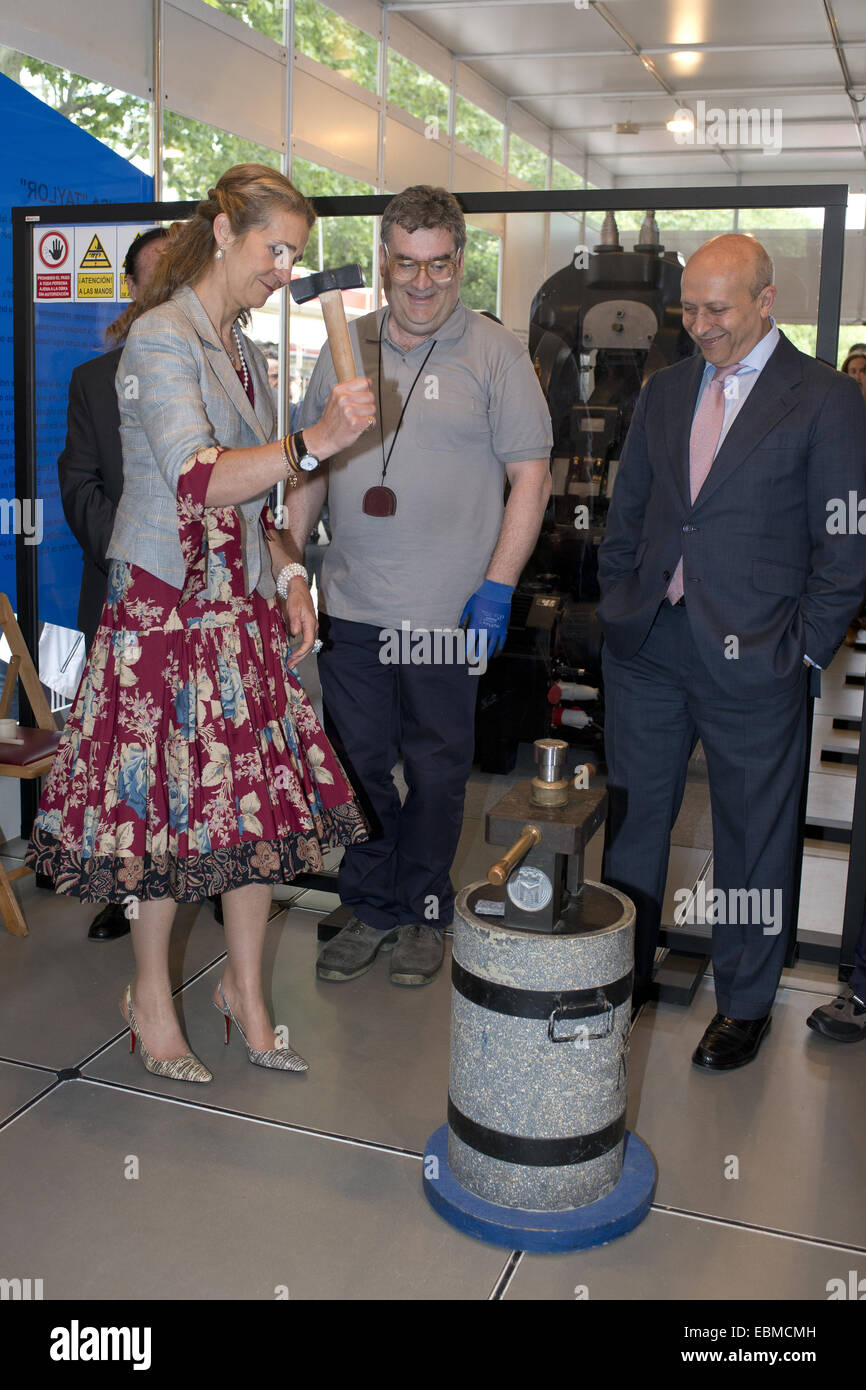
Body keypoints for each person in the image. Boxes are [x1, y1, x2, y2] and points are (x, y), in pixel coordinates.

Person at [26, 163, 376, 1082]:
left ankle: (247, 998)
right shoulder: (158, 337)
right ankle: (150, 1002)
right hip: (164, 617)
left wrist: (294, 570)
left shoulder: (243, 348)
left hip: (240, 613)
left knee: (249, 817)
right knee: (161, 822)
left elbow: (262, 496)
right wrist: (314, 441)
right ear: (224, 230)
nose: (283, 267)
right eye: (275, 248)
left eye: (296, 254)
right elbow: (196, 478)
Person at [597, 232, 866, 1070]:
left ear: (764, 299)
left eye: (718, 309)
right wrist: (620, 600)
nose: (700, 325)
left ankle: (745, 999)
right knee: (637, 816)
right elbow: (633, 508)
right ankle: (623, 971)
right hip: (650, 644)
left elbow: (846, 548)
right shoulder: (667, 389)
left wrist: (802, 654)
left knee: (754, 834)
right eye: (689, 307)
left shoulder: (824, 398)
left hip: (760, 656)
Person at [285, 185, 552, 987]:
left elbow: (530, 478)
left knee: (437, 774)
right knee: (359, 769)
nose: (424, 282)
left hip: (449, 617)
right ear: (384, 262)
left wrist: (497, 586)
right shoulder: (342, 348)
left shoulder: (495, 353)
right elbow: (309, 465)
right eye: (407, 264)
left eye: (440, 265)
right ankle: (372, 908)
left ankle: (426, 912)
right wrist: (293, 565)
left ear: (461, 261)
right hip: (355, 610)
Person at [56, 226, 168, 941]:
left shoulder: (223, 374)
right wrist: (138, 560)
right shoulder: (94, 382)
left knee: (201, 750)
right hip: (124, 598)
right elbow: (79, 486)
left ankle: (210, 873)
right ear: (130, 286)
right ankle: (124, 888)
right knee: (125, 755)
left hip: (205, 606)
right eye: (152, 276)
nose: (164, 288)